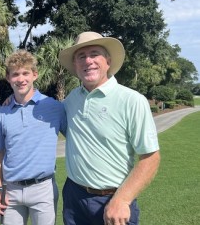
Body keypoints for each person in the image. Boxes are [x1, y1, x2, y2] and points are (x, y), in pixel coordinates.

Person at [58, 31, 161, 225]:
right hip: (74, 197)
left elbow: (150, 158)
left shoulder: (132, 100)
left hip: (114, 200)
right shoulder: (71, 100)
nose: (88, 61)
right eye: (81, 56)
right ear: (75, 65)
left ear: (107, 60)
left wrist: (122, 199)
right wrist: (11, 100)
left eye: (94, 54)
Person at [0, 50, 67, 225]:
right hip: (11, 191)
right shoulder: (2, 113)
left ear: (35, 74)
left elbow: (76, 138)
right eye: (15, 74)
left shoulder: (54, 107)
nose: (21, 79)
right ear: (9, 78)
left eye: (26, 73)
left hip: (43, 189)